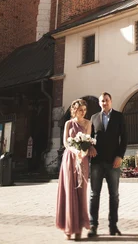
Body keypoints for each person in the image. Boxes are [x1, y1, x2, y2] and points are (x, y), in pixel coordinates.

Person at [88, 92, 127, 238]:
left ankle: (113, 226)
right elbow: (89, 138)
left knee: (114, 195)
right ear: (99, 103)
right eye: (102, 101)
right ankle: (93, 225)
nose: (105, 103)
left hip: (113, 162)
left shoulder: (119, 117)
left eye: (107, 100)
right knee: (94, 195)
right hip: (97, 162)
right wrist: (90, 147)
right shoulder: (94, 118)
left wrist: (120, 156)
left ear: (111, 101)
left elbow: (124, 139)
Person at [56, 99, 91, 241]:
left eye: (84, 110)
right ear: (74, 110)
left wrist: (82, 153)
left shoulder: (88, 123)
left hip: (82, 159)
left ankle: (79, 228)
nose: (82, 112)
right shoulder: (68, 123)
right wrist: (73, 150)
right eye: (80, 110)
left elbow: (87, 141)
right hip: (69, 158)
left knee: (81, 192)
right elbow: (65, 141)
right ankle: (68, 228)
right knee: (69, 191)